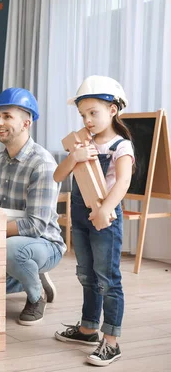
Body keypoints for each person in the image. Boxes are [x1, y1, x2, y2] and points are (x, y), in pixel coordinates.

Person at [0, 88, 66, 325]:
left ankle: (36, 296)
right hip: (9, 240)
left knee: (12, 250)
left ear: (26, 122)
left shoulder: (43, 164)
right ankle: (29, 274)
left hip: (44, 243)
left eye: (7, 116)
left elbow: (36, 224)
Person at [53, 76, 134, 367]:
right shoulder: (81, 143)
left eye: (93, 113)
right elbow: (58, 176)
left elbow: (122, 181)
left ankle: (111, 341)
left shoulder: (120, 146)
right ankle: (88, 328)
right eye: (82, 114)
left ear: (113, 110)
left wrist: (105, 209)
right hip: (80, 216)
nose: (87, 120)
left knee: (107, 278)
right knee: (86, 274)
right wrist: (74, 156)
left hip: (105, 218)